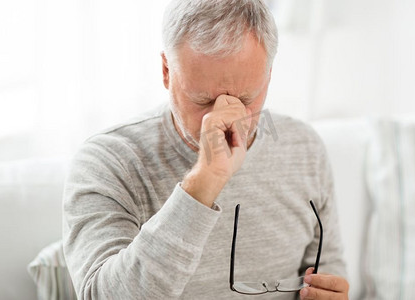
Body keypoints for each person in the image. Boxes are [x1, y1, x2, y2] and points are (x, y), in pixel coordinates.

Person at [62, 0, 350, 299]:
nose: (224, 118)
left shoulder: (305, 148)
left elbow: (327, 272)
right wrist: (206, 178)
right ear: (165, 71)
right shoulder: (108, 162)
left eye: (246, 98)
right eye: (202, 100)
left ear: (269, 75)